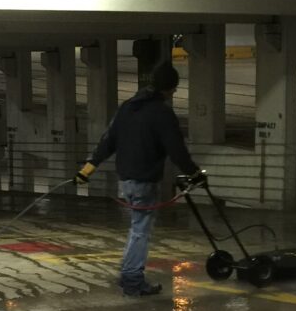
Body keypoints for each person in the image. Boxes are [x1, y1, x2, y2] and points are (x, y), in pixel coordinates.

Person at [74, 61, 205, 296]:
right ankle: (133, 280)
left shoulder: (128, 107)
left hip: (126, 180)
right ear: (168, 88)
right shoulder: (162, 113)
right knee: (140, 231)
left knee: (136, 228)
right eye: (173, 89)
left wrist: (87, 169)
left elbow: (108, 140)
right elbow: (177, 150)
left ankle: (128, 275)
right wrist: (195, 173)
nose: (174, 92)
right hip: (144, 180)